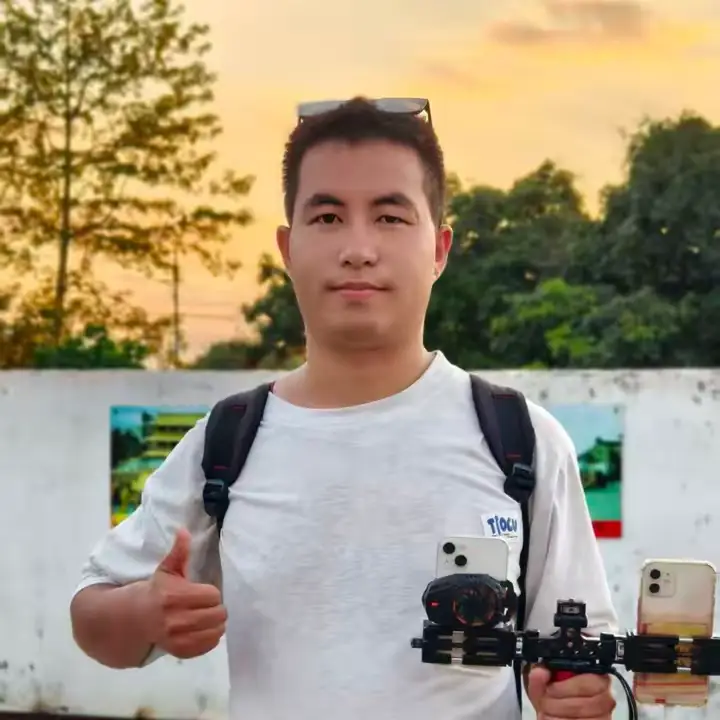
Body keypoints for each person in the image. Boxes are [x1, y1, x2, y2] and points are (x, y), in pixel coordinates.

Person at [70, 97, 618, 720]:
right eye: (328, 217)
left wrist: (577, 694)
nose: (359, 248)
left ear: (439, 249)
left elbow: (582, 659)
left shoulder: (521, 441)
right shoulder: (226, 443)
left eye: (390, 216)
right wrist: (144, 612)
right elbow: (92, 614)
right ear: (287, 248)